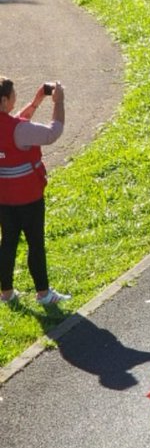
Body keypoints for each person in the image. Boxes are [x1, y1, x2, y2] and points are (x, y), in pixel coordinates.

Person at [0, 76, 68, 307]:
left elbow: (17, 123)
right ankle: (43, 293)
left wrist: (37, 100)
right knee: (35, 244)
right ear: (4, 100)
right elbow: (52, 133)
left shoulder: (11, 126)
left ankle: (7, 293)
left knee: (8, 243)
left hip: (4, 199)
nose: (16, 97)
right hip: (28, 198)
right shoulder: (19, 130)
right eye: (13, 95)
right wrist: (58, 103)